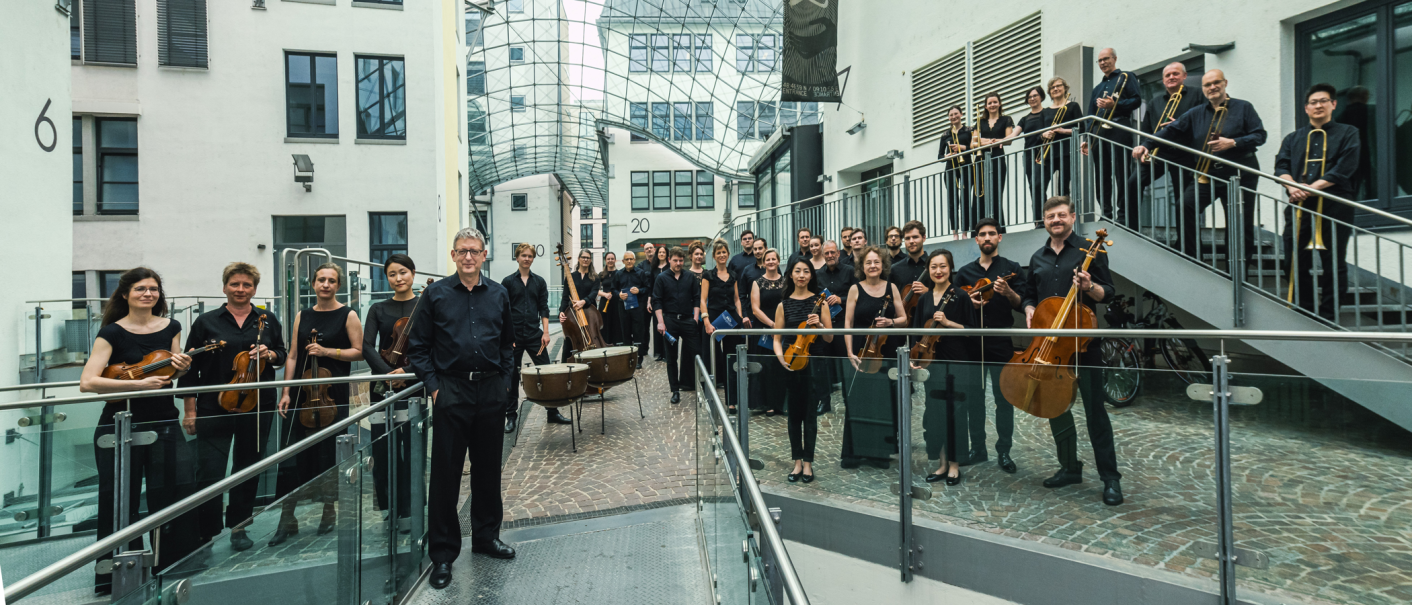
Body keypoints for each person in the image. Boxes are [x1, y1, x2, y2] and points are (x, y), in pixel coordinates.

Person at [407, 228, 518, 590]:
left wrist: (503, 384)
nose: (468, 257)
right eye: (462, 251)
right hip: (450, 390)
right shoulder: (436, 295)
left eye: (474, 251)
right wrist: (435, 388)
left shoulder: (499, 294)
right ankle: (442, 554)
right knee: (445, 475)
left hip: (489, 391)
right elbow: (418, 347)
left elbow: (507, 345)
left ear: (484, 255)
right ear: (453, 256)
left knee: (488, 471)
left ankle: (486, 537)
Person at [80, 267, 196, 594]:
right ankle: (114, 574)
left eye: (154, 289)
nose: (148, 294)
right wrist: (138, 382)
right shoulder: (111, 333)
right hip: (118, 423)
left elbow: (167, 375)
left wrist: (180, 368)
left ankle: (171, 565)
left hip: (163, 419)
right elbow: (88, 382)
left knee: (172, 490)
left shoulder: (172, 326)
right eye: (141, 289)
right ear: (126, 294)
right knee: (119, 497)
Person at [1022, 197, 1122, 506]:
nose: (1056, 220)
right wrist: (1028, 309)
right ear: (1044, 220)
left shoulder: (1091, 250)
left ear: (1072, 217)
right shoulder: (1037, 257)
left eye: (1061, 215)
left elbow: (1108, 294)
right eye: (1050, 215)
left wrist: (1090, 287)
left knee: (1095, 411)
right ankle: (1069, 468)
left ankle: (1110, 479)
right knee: (1056, 407)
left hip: (1082, 344)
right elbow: (1029, 295)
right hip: (1050, 348)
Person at [181, 262, 286, 553]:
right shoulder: (206, 322)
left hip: (257, 406)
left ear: (255, 288)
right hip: (213, 407)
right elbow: (191, 368)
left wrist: (270, 353)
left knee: (248, 467)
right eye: (235, 284)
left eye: (247, 285)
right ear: (224, 286)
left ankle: (240, 526)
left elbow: (282, 353)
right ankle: (206, 531)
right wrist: (190, 411)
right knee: (209, 470)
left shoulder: (267, 318)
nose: (241, 289)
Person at [270, 263, 363, 546]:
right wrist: (286, 392)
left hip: (331, 396)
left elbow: (358, 351)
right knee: (292, 454)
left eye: (332, 280)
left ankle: (328, 510)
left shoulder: (348, 314)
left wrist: (327, 351)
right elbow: (293, 356)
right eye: (321, 279)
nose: (326, 284)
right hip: (301, 395)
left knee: (328, 452)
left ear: (338, 285)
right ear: (313, 284)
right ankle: (287, 517)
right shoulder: (303, 315)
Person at [1138, 69, 1266, 263]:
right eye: (1207, 85)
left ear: (1225, 83)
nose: (1212, 87)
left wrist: (1233, 142)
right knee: (1185, 205)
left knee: (1239, 223)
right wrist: (1147, 144)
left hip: (1239, 173)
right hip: (1209, 172)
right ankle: (1192, 259)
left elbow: (1260, 135)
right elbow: (1171, 129)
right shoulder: (1196, 113)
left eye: (1216, 83)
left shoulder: (1243, 107)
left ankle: (1238, 276)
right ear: (1203, 89)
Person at [1275, 83, 1360, 319]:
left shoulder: (1348, 132)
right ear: (1306, 108)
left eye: (1323, 101)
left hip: (1334, 203)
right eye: (1313, 102)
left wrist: (1312, 188)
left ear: (1333, 104)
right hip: (1299, 202)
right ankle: (1305, 310)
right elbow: (1281, 166)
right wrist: (1292, 186)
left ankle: (1328, 315)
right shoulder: (1293, 138)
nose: (1318, 105)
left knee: (1333, 260)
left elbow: (1346, 167)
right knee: (1294, 258)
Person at [956, 218, 1024, 473]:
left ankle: (1004, 451)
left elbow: (1021, 302)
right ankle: (978, 448)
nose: (987, 238)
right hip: (973, 342)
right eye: (982, 234)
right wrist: (968, 304)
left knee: (1004, 397)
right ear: (976, 239)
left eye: (992, 234)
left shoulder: (1012, 268)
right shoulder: (964, 272)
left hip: (1000, 340)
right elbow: (956, 307)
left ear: (999, 238)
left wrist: (1007, 292)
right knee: (974, 398)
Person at [910, 250, 980, 486]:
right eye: (933, 267)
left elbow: (972, 331)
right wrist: (914, 355)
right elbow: (917, 331)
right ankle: (941, 464)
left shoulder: (960, 296)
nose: (938, 271)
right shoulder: (924, 299)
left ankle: (954, 465)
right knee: (935, 414)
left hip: (957, 362)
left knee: (957, 414)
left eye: (942, 266)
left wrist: (949, 323)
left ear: (950, 268)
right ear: (928, 270)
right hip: (932, 363)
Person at [361, 254, 420, 523]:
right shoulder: (378, 309)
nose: (398, 278)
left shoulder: (423, 306)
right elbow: (366, 346)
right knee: (383, 449)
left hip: (413, 384)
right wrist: (387, 375)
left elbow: (431, 346)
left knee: (412, 445)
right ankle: (390, 506)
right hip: (382, 386)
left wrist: (407, 373)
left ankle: (411, 506)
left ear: (413, 274)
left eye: (403, 272)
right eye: (392, 274)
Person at [841, 247, 908, 469]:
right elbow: (848, 323)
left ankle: (879, 453)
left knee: (881, 403)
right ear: (862, 266)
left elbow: (904, 319)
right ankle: (853, 453)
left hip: (884, 352)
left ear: (883, 265)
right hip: (860, 351)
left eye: (876, 262)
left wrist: (890, 322)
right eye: (868, 262)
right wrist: (849, 352)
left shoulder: (892, 288)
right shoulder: (854, 289)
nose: (872, 266)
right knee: (857, 402)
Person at [773, 258, 834, 483]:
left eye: (805, 271)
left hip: (814, 363)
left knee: (809, 415)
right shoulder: (783, 304)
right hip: (791, 362)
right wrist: (780, 358)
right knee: (793, 415)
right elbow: (777, 338)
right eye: (797, 271)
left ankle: (808, 463)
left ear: (811, 276)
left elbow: (829, 337)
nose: (801, 275)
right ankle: (796, 462)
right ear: (790, 275)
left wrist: (820, 325)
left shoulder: (821, 303)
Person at [1124, 62, 1203, 231]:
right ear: (1163, 79)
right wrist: (1144, 148)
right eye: (1167, 75)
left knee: (1182, 200)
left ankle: (1184, 243)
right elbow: (1147, 130)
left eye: (1175, 74)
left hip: (1184, 154)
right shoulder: (1155, 102)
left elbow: (1205, 124)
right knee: (1133, 182)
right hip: (1159, 154)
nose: (1171, 77)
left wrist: (1183, 125)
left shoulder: (1197, 95)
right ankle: (1132, 228)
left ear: (1184, 76)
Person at [501, 244, 571, 433]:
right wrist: (508, 337)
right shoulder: (507, 282)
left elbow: (543, 308)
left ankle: (552, 412)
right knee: (511, 376)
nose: (527, 258)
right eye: (523, 255)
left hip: (534, 334)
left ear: (533, 259)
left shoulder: (539, 282)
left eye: (530, 256)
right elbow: (504, 312)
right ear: (517, 258)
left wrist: (546, 332)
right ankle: (511, 417)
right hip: (514, 336)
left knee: (547, 372)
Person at [1080, 48, 1141, 224]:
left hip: (1119, 125)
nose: (1103, 63)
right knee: (1101, 174)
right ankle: (1106, 214)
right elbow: (1091, 114)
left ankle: (1123, 215)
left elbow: (1136, 100)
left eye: (1106, 59)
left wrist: (1116, 104)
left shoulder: (1127, 77)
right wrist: (1087, 139)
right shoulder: (1097, 88)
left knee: (1122, 172)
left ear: (1114, 58)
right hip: (1099, 131)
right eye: (1099, 61)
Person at [703, 239, 748, 413]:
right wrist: (706, 321)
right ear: (714, 256)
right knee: (712, 360)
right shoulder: (708, 275)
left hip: (731, 320)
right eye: (718, 253)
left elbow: (737, 299)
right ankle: (711, 397)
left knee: (731, 360)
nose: (722, 255)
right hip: (713, 321)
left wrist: (741, 317)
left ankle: (731, 401)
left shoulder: (734, 275)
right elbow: (703, 300)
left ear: (728, 255)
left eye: (724, 252)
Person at [654, 247, 702, 404]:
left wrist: (695, 318)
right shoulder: (662, 278)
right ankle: (675, 390)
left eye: (681, 261)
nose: (678, 263)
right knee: (671, 358)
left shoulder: (690, 277)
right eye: (675, 260)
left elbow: (696, 298)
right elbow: (657, 301)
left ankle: (701, 387)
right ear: (669, 260)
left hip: (688, 320)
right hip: (670, 321)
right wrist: (660, 322)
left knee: (697, 354)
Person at [815, 240, 856, 407]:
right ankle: (824, 402)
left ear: (838, 253)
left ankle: (849, 401)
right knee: (823, 364)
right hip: (825, 326)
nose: (830, 256)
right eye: (827, 253)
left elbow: (857, 296)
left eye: (833, 252)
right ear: (823, 255)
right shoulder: (817, 275)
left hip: (842, 324)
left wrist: (841, 299)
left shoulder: (850, 271)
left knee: (845, 363)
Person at [749, 247, 787, 415]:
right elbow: (755, 309)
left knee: (780, 367)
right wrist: (772, 325)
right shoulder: (757, 283)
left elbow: (788, 304)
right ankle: (766, 403)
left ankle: (780, 402)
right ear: (763, 263)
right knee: (765, 367)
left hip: (783, 329)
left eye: (774, 259)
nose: (771, 262)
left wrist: (780, 326)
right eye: (768, 259)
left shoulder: (786, 281)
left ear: (778, 261)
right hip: (764, 330)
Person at [1039, 77, 1083, 212]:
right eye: (1052, 87)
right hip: (1048, 153)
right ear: (1049, 91)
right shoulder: (1045, 111)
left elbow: (1082, 128)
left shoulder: (1073, 106)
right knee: (1039, 185)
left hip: (1066, 151)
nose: (1056, 89)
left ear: (1065, 88)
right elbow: (1039, 132)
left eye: (1059, 86)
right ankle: (1045, 215)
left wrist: (1062, 130)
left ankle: (1065, 214)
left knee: (1063, 187)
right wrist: (1043, 135)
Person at [973, 91, 1016, 224]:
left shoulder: (1006, 119)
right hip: (980, 161)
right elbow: (973, 143)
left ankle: (998, 228)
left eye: (995, 102)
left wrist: (985, 140)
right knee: (979, 195)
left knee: (996, 194)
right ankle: (978, 229)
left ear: (999, 103)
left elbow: (1008, 140)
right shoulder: (980, 121)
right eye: (989, 103)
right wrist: (992, 141)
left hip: (997, 159)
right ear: (986, 106)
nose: (992, 105)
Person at [1015, 86, 1050, 224]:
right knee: (1034, 187)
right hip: (1029, 154)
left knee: (1038, 185)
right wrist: (997, 141)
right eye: (1029, 97)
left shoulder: (1048, 113)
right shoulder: (1024, 119)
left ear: (1041, 96)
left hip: (1045, 152)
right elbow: (1013, 135)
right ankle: (1039, 220)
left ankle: (1045, 218)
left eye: (1035, 95)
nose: (1032, 98)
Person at [559, 249, 600, 363]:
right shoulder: (570, 276)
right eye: (583, 257)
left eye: (588, 258)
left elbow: (594, 293)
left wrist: (583, 301)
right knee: (570, 341)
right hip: (573, 314)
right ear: (578, 259)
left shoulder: (595, 277)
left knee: (593, 336)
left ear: (590, 260)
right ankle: (567, 369)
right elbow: (565, 297)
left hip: (590, 313)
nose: (585, 260)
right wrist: (561, 312)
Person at [939, 106, 975, 234]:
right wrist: (947, 156)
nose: (953, 117)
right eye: (951, 115)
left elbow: (975, 149)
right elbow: (939, 157)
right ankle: (954, 233)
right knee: (952, 202)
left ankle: (964, 232)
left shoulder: (970, 130)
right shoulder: (945, 135)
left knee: (965, 200)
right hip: (951, 168)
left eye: (956, 114)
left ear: (961, 114)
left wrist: (962, 147)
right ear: (948, 117)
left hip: (966, 167)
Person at [890, 220, 931, 312]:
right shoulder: (895, 269)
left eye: (915, 237)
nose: (911, 241)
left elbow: (946, 293)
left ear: (924, 238)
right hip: (905, 323)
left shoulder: (935, 266)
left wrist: (928, 292)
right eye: (907, 238)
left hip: (929, 319)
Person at [619, 249, 649, 367]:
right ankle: (628, 358)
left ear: (635, 260)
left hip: (638, 309)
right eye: (627, 259)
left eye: (631, 259)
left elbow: (647, 288)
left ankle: (638, 359)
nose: (629, 261)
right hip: (623, 309)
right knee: (625, 333)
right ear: (623, 261)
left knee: (638, 333)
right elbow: (613, 289)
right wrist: (619, 295)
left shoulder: (641, 273)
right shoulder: (618, 274)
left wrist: (639, 290)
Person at [597, 252, 626, 347]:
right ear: (605, 260)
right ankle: (605, 343)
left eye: (612, 259)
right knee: (604, 324)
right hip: (604, 302)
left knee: (616, 323)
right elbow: (595, 290)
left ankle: (617, 344)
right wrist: (605, 294)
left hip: (616, 302)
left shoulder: (619, 273)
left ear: (615, 260)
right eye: (608, 259)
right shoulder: (601, 274)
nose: (610, 261)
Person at [651, 245, 670, 361]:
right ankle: (659, 353)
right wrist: (649, 301)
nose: (662, 254)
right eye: (660, 252)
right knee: (657, 325)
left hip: (667, 300)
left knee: (667, 325)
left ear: (666, 254)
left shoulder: (670, 267)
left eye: (663, 252)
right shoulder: (653, 269)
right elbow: (650, 286)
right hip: (656, 300)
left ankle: (667, 352)